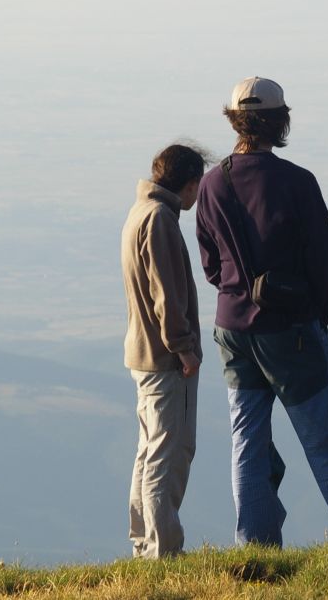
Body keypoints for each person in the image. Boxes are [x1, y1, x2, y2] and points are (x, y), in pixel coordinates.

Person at [195, 76, 328, 546]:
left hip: (232, 326)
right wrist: (313, 320)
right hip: (291, 330)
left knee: (248, 439)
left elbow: (209, 263)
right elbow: (325, 266)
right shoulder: (297, 182)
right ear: (279, 121)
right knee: (324, 439)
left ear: (234, 120)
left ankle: (256, 544)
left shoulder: (212, 183)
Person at [121, 142, 209, 558]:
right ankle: (162, 550)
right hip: (164, 358)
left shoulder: (140, 211)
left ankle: (144, 543)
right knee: (167, 455)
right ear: (189, 184)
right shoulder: (160, 220)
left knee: (149, 450)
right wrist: (184, 347)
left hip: (143, 353)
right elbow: (166, 295)